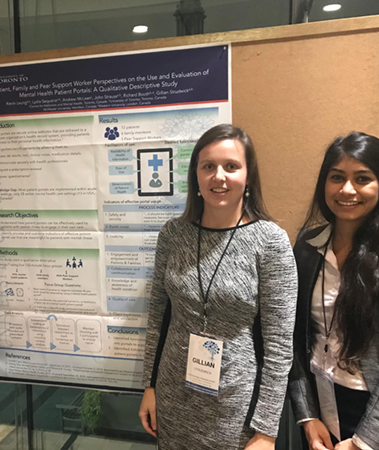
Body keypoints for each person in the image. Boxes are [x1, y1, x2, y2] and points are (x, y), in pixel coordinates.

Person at [139, 124, 298, 450]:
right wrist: (150, 386)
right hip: (172, 397)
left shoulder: (270, 242)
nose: (219, 176)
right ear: (195, 176)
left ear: (248, 176)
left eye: (231, 166)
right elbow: (158, 315)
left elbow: (279, 348)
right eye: (208, 166)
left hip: (235, 407)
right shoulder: (173, 234)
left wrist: (266, 431)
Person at [288, 132, 379, 450]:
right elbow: (296, 338)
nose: (347, 190)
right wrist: (307, 416)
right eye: (336, 177)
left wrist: (364, 441)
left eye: (362, 178)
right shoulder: (307, 245)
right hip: (322, 408)